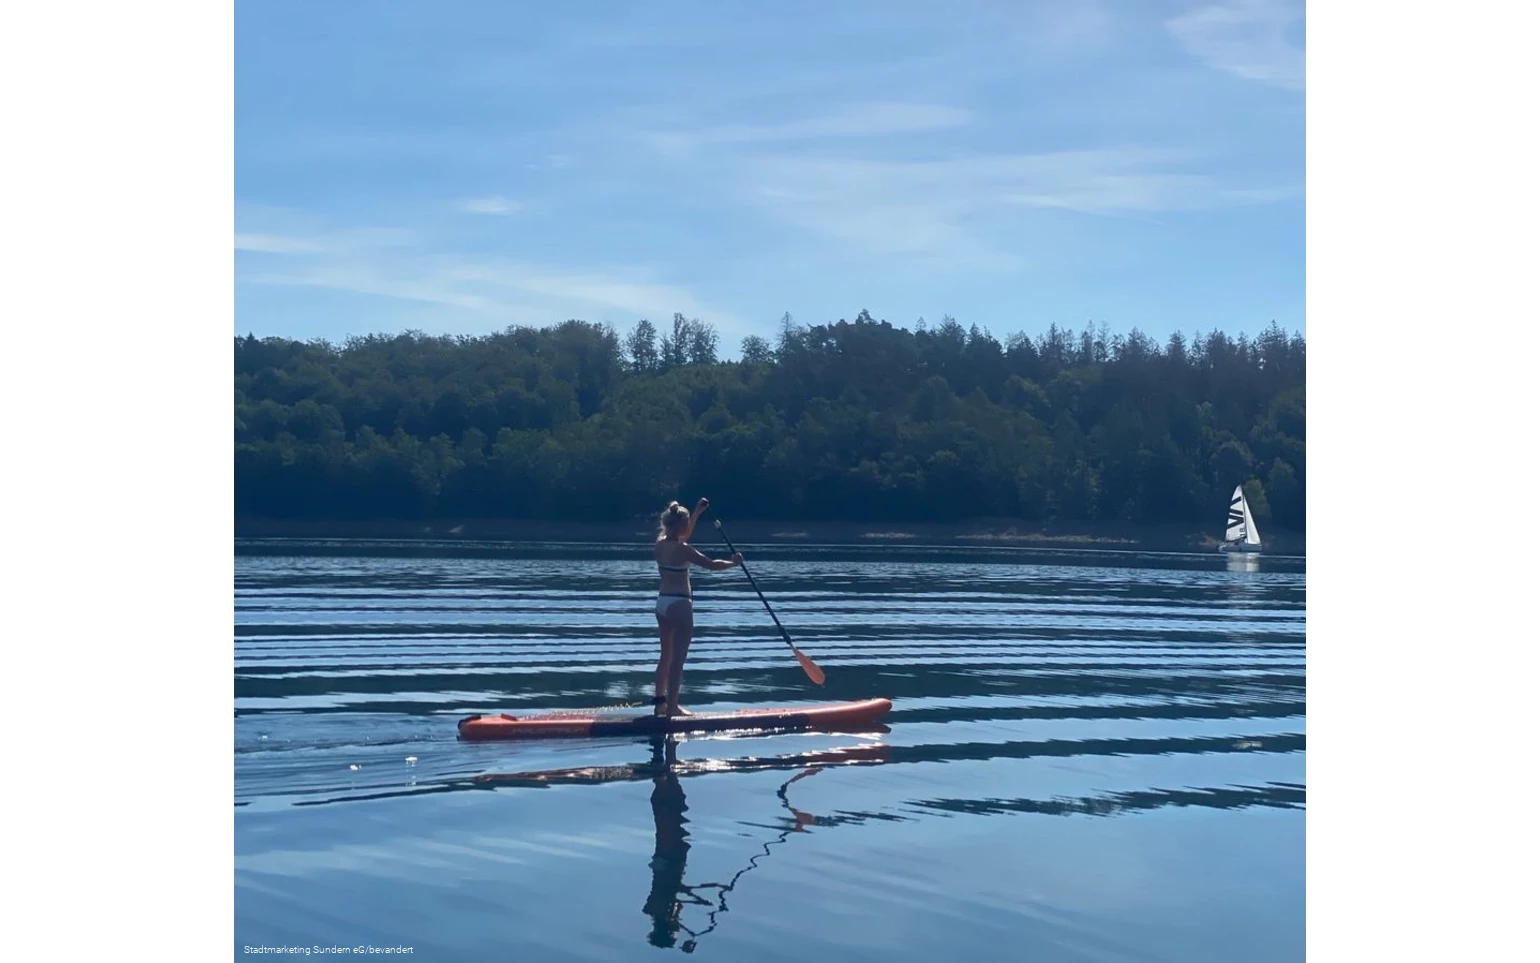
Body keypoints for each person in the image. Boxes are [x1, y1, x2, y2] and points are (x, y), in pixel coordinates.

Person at [652, 498, 742, 716]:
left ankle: (660, 704)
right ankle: (672, 708)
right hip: (680, 604)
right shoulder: (685, 550)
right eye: (686, 524)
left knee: (665, 656)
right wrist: (733, 563)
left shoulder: (660, 544)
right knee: (678, 659)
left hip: (662, 603)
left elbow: (682, 534)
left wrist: (696, 514)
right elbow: (711, 565)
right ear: (680, 526)